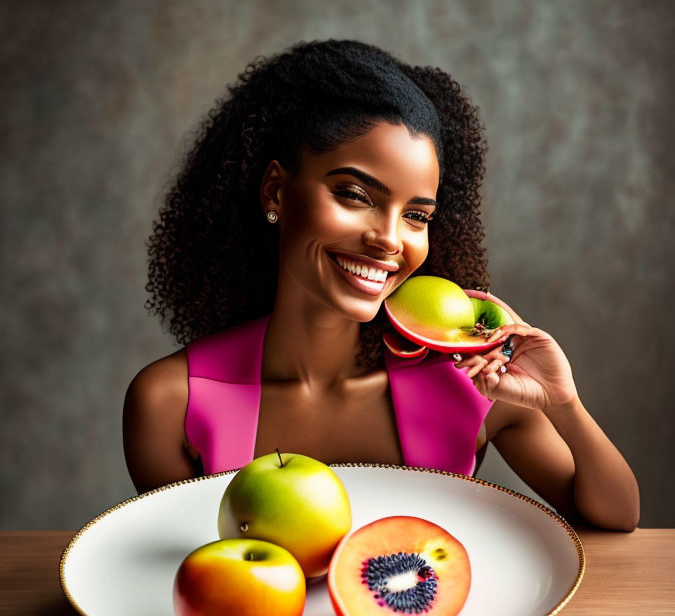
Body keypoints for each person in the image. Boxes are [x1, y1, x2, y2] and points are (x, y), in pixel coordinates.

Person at [123, 39, 639, 532]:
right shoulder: (170, 405)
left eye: (416, 216)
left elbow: (614, 516)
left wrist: (563, 405)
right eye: (354, 194)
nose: (390, 240)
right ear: (275, 190)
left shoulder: (470, 383)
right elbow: (193, 576)